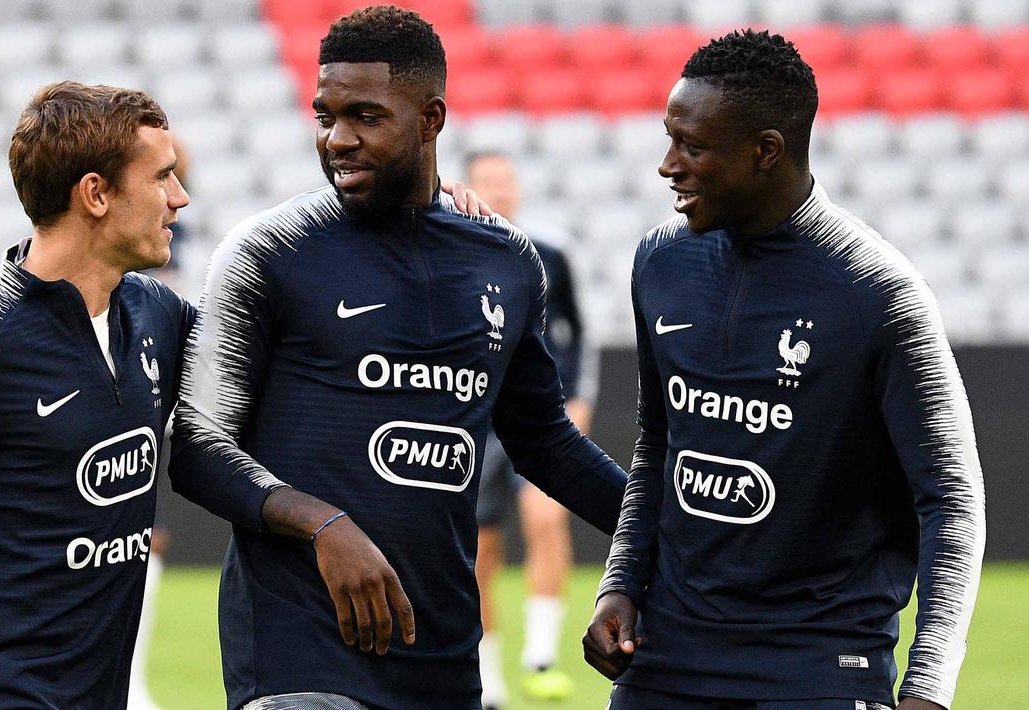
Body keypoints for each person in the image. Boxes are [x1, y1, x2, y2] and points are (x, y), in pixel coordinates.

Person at [0, 81, 427, 710]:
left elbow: (275, 372)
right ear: (96, 194)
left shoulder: (155, 312)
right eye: (162, 177)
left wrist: (425, 213)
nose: (180, 197)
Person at [169, 7, 627, 710]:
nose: (337, 138)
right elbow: (197, 445)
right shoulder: (268, 251)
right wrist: (321, 524)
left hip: (443, 661)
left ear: (430, 118)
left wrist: (666, 534)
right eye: (325, 116)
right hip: (302, 660)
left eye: (365, 116)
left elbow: (546, 444)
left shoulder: (507, 261)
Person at [583, 30, 985, 710]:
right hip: (664, 659)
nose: (667, 165)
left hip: (817, 667)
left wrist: (928, 685)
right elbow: (659, 444)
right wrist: (619, 582)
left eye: (691, 146)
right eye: (669, 139)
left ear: (764, 151)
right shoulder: (660, 261)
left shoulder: (878, 292)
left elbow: (951, 497)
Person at [466, 150, 597, 707]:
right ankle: (487, 677)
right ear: (466, 187)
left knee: (546, 518)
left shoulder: (550, 251)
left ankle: (540, 656)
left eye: (506, 180)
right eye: (487, 181)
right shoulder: (453, 248)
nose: (499, 190)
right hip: (477, 422)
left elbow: (579, 332)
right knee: (479, 549)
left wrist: (580, 400)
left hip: (542, 414)